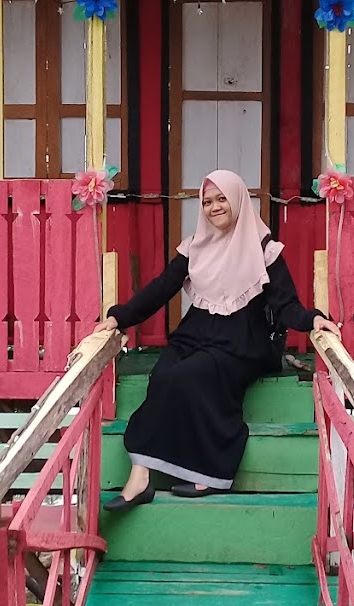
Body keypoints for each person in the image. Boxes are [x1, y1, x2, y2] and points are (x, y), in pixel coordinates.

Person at [95, 169, 338, 510]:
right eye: (207, 202)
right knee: (163, 374)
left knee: (191, 375)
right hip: (197, 332)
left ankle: (211, 472)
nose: (214, 207)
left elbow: (286, 304)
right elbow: (161, 288)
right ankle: (141, 474)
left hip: (244, 340)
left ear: (238, 200)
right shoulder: (195, 247)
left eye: (222, 199)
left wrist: (313, 319)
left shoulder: (264, 248)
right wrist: (119, 317)